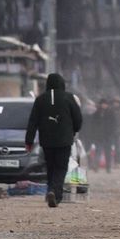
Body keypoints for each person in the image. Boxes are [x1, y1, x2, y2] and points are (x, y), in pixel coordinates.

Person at [23, 72, 82, 208]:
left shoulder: (40, 99)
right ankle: (56, 192)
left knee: (50, 167)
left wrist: (29, 141)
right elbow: (78, 118)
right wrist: (74, 130)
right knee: (61, 168)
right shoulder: (69, 98)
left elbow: (33, 121)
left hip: (47, 140)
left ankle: (50, 190)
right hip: (64, 140)